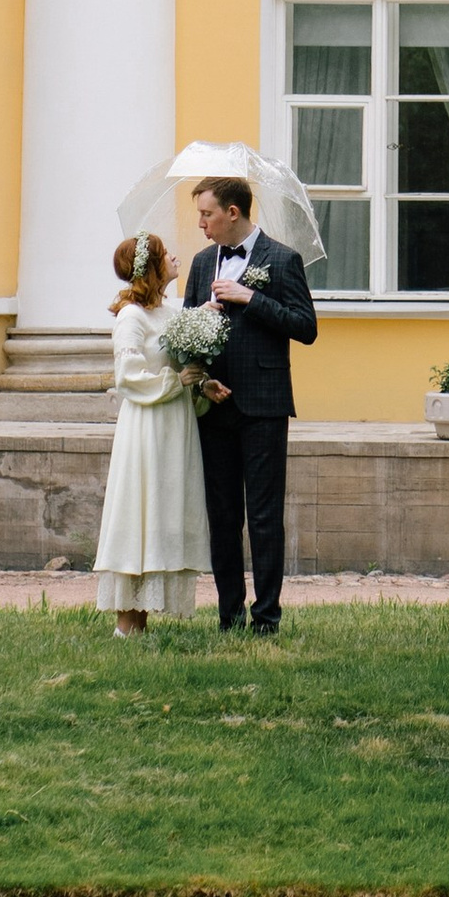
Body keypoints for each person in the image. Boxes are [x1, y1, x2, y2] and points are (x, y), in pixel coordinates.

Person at [181, 172, 316, 634]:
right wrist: (200, 367)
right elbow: (184, 335)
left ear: (232, 213)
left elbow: (306, 327)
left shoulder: (282, 259)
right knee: (222, 516)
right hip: (213, 406)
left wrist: (249, 297)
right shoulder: (202, 264)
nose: (201, 223)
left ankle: (267, 617)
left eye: (207, 214)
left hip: (263, 404)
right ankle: (228, 615)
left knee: (263, 516)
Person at [92, 233, 213, 635]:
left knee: (164, 505)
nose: (176, 256)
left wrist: (200, 383)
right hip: (146, 425)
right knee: (141, 506)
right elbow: (127, 376)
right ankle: (127, 622)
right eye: (166, 253)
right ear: (151, 266)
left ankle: (142, 618)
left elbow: (182, 367)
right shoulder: (132, 316)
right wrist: (176, 381)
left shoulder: (171, 312)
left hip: (176, 424)